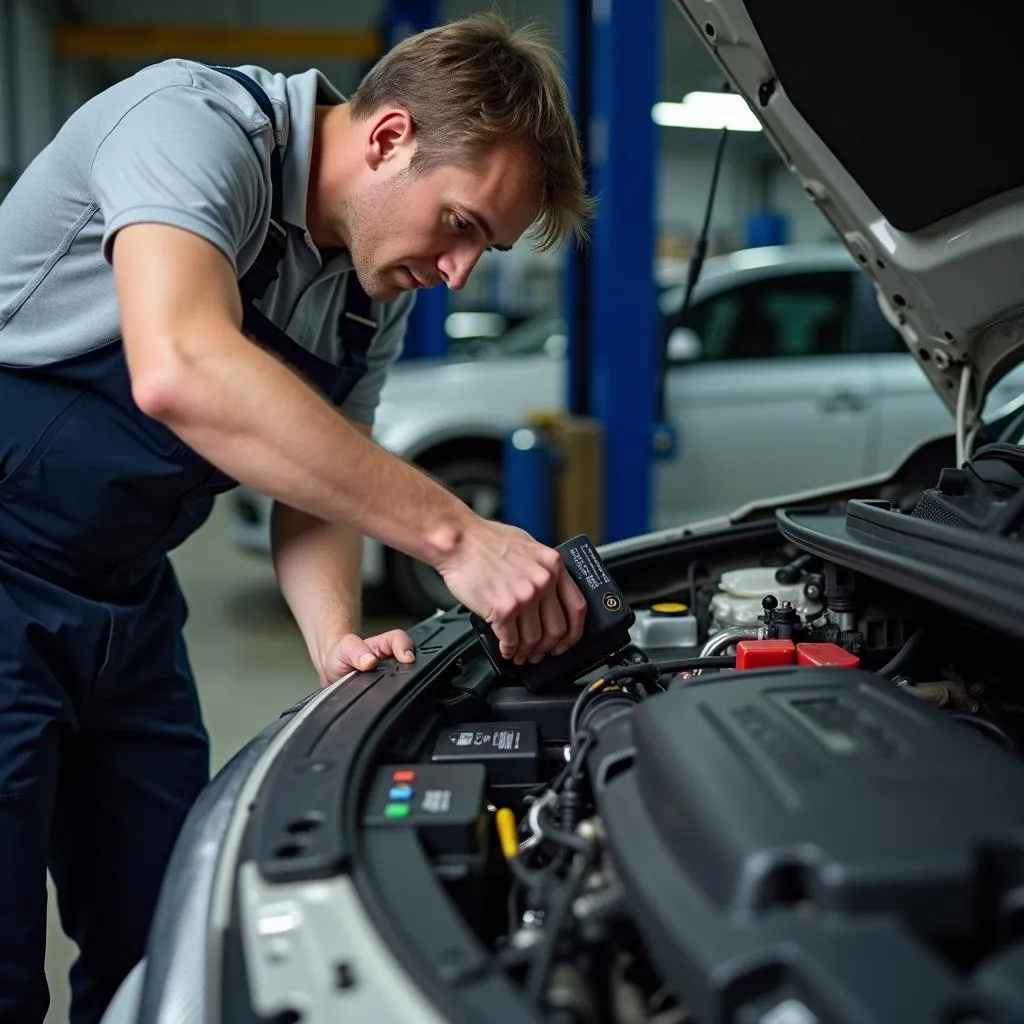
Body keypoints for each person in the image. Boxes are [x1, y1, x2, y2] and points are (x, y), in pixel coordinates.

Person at [0, 12, 593, 1023]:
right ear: (386, 138)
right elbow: (179, 365)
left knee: (167, 934)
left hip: (129, 605)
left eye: (482, 248)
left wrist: (335, 640)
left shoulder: (371, 290)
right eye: (459, 224)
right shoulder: (189, 130)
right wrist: (455, 533)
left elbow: (318, 490)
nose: (459, 272)